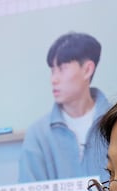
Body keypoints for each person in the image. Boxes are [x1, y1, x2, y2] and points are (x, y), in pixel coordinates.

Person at [18, 32, 110, 183]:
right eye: (52, 70)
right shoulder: (38, 134)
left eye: (62, 68)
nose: (53, 79)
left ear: (87, 70)